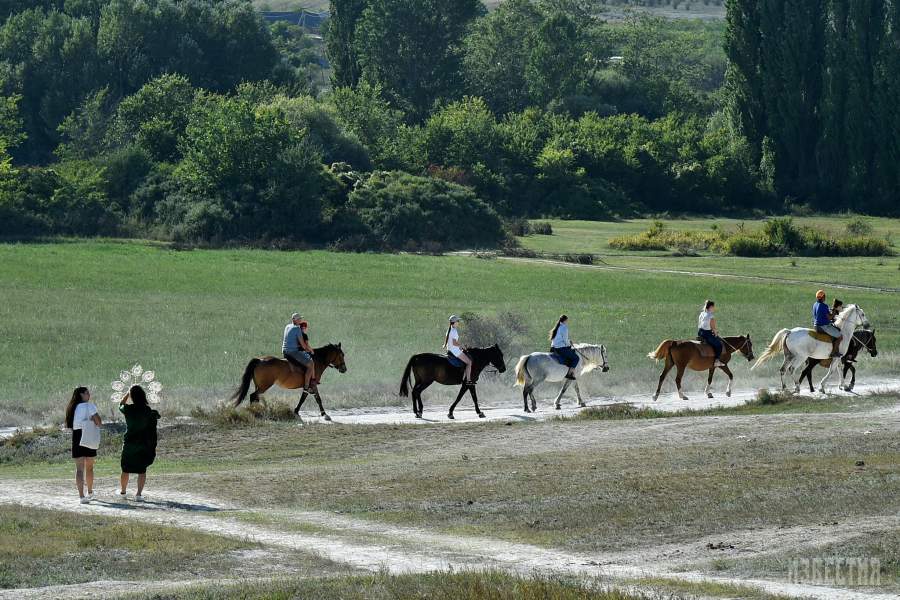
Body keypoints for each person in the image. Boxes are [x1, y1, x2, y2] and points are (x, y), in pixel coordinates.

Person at [117, 385, 160, 502]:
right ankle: (139, 494)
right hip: (143, 444)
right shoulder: (147, 410)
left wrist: (127, 393)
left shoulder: (128, 409)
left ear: (133, 397)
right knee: (142, 470)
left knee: (125, 469)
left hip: (129, 443)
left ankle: (123, 491)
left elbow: (120, 404)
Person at [65, 387, 101, 504]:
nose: (89, 394)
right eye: (86, 393)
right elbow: (98, 422)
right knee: (89, 467)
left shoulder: (72, 407)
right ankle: (90, 491)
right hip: (88, 433)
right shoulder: (89, 406)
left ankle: (81, 496)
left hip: (77, 435)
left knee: (79, 469)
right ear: (81, 394)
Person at [283, 312, 314, 390]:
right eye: (299, 319)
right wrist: (310, 351)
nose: (300, 320)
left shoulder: (287, 326)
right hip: (293, 352)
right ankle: (307, 387)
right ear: (295, 320)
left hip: (284, 351)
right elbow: (303, 345)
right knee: (310, 364)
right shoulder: (297, 329)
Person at [443, 315, 473, 384]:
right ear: (454, 322)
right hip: (454, 351)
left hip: (450, 349)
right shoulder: (454, 331)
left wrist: (460, 347)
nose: (458, 322)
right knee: (469, 362)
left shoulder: (449, 329)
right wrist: (461, 346)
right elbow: (454, 343)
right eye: (458, 321)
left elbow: (450, 342)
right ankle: (468, 380)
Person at [813, 290, 843, 357]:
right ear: (823, 297)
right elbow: (830, 317)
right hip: (823, 327)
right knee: (840, 337)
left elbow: (821, 315)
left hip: (816, 326)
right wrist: (834, 311)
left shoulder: (815, 304)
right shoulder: (824, 306)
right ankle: (834, 352)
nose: (825, 297)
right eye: (824, 296)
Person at [549, 315, 579, 380]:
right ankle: (569, 374)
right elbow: (565, 340)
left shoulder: (557, 327)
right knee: (576, 358)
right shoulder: (564, 328)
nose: (567, 322)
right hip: (560, 348)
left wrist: (568, 341)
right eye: (567, 320)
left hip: (553, 347)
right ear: (565, 320)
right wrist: (569, 344)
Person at [698, 300, 725, 367]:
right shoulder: (710, 315)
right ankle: (716, 361)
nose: (714, 308)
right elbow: (713, 327)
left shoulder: (702, 313)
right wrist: (716, 333)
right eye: (713, 307)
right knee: (719, 345)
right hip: (707, 334)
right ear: (710, 307)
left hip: (700, 332)